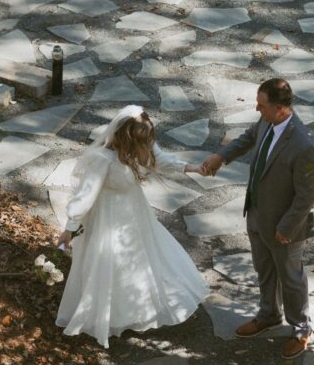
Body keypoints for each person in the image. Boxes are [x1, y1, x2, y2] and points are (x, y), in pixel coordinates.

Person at [55, 105, 209, 348]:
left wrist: (192, 168)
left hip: (135, 214)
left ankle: (136, 309)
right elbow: (85, 196)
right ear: (127, 137)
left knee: (140, 261)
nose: (145, 148)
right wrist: (70, 227)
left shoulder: (141, 139)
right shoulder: (102, 159)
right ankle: (109, 315)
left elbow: (161, 158)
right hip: (108, 217)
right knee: (110, 263)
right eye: (141, 143)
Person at [202, 78, 314, 359]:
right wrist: (221, 156)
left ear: (280, 108)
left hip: (284, 227)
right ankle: (268, 315)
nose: (257, 109)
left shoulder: (303, 145)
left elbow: (306, 196)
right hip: (256, 215)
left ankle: (301, 329)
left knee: (291, 279)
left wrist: (287, 227)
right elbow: (247, 138)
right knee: (264, 269)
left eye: (262, 105)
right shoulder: (267, 123)